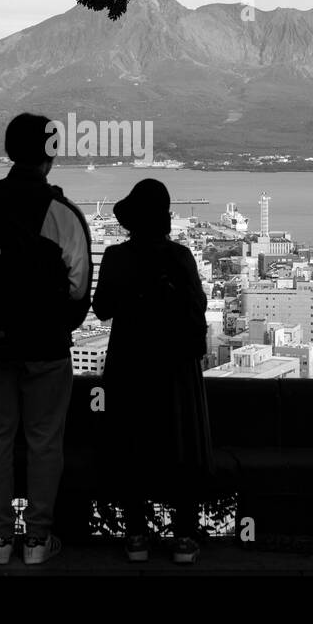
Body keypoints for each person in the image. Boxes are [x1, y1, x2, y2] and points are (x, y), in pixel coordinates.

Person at [0, 113, 92, 566]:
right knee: (45, 439)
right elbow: (79, 288)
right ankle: (36, 540)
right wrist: (57, 327)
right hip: (47, 347)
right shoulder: (63, 214)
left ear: (10, 149)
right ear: (51, 153)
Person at [92, 178, 213, 564]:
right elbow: (198, 310)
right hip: (175, 366)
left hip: (130, 362)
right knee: (180, 443)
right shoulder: (180, 257)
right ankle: (183, 536)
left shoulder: (115, 257)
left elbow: (102, 309)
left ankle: (136, 535)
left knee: (131, 443)